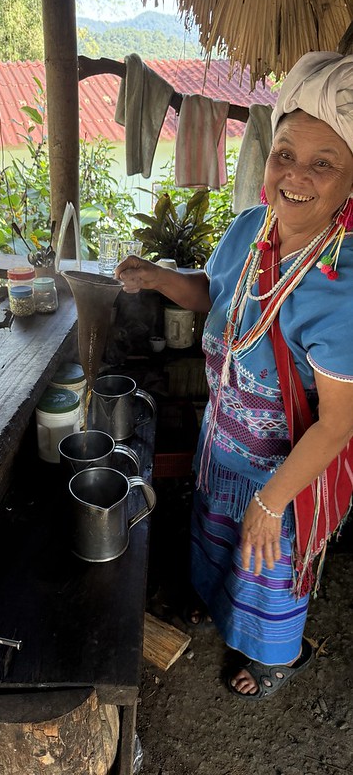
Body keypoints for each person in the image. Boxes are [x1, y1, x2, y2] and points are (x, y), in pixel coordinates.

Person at [114, 51, 353, 700]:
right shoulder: (252, 227)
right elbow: (215, 295)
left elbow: (338, 425)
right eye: (284, 153)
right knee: (220, 542)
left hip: (288, 467)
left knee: (269, 564)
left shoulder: (342, 285)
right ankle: (225, 614)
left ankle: (279, 656)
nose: (295, 175)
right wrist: (159, 278)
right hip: (224, 442)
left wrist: (272, 500)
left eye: (322, 162)